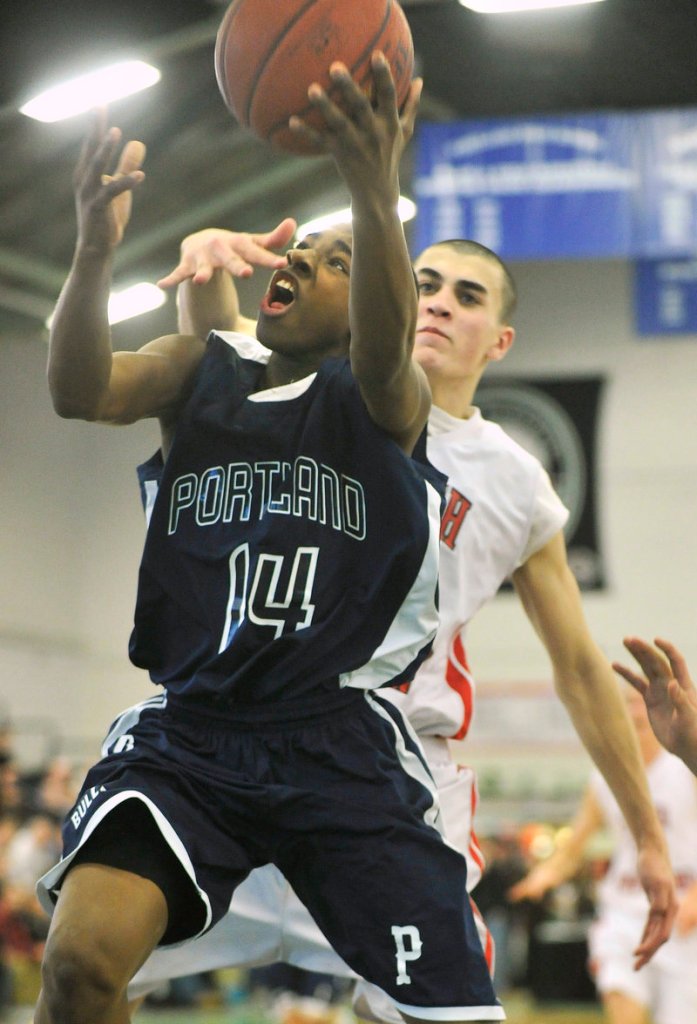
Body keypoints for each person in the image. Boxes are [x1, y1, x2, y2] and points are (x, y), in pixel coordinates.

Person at [35, 58, 505, 1024]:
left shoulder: (380, 398)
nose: (297, 263)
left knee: (449, 1017)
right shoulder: (201, 371)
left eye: (332, 263)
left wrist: (373, 190)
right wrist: (90, 252)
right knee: (79, 965)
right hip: (192, 732)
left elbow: (384, 333)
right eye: (299, 254)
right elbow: (77, 392)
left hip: (335, 741)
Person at [125, 226, 677, 1016]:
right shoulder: (317, 376)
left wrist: (646, 838)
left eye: (467, 295)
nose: (438, 304)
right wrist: (208, 259)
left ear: (501, 340)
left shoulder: (515, 478)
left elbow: (582, 671)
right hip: (238, 744)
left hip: (397, 772)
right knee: (92, 962)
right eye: (425, 284)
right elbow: (220, 343)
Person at [509, 686, 697, 1024]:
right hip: (623, 912)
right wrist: (544, 875)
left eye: (642, 705)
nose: (635, 713)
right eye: (627, 706)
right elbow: (574, 845)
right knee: (621, 1001)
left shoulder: (685, 769)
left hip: (681, 914)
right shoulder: (605, 777)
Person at [614, 636, 697, 777]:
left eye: (641, 703)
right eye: (630, 702)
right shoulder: (607, 775)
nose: (636, 713)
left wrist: (693, 749)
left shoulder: (680, 770)